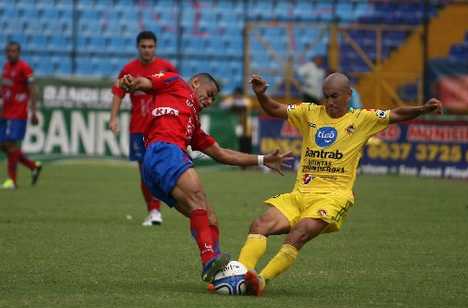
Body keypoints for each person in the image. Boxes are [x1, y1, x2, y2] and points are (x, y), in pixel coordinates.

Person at [239, 73, 443, 296]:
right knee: (260, 225)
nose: (329, 102)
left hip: (333, 196)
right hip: (300, 194)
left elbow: (396, 113)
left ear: (348, 95)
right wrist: (261, 95)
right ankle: (239, 277)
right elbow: (275, 109)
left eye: (334, 96)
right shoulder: (310, 113)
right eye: (325, 97)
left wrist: (422, 109)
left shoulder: (363, 119)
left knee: (299, 233)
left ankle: (260, 280)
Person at [118, 71, 292, 283]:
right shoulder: (175, 83)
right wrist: (131, 82)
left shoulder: (194, 126)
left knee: (209, 217)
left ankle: (218, 274)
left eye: (213, 99)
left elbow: (222, 153)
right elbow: (144, 82)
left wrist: (262, 160)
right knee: (198, 198)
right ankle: (210, 260)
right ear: (196, 83)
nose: (209, 101)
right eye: (209, 94)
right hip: (164, 150)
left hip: (155, 167)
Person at [109, 31, 178, 226]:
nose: (147, 50)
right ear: (138, 47)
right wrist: (113, 118)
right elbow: (118, 92)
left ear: (155, 47)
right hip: (138, 128)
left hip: (161, 127)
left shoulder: (166, 68)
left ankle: (158, 209)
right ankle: (153, 210)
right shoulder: (129, 69)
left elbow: (179, 90)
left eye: (150, 46)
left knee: (160, 169)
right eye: (143, 46)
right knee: (145, 171)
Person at [0, 41, 42, 189]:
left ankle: (12, 181)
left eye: (14, 51)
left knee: (11, 145)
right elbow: (4, 88)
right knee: (3, 145)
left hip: (18, 113)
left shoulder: (24, 68)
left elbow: (33, 90)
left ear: (19, 53)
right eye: (9, 51)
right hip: (5, 112)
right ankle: (33, 166)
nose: (11, 54)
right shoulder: (5, 67)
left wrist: (34, 112)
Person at [220, 87, 253, 154]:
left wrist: (233, 104)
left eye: (239, 94)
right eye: (236, 94)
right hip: (234, 125)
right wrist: (232, 103)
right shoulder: (232, 99)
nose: (237, 96)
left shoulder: (246, 100)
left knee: (246, 144)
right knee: (237, 142)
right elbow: (222, 105)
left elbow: (244, 104)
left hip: (246, 126)